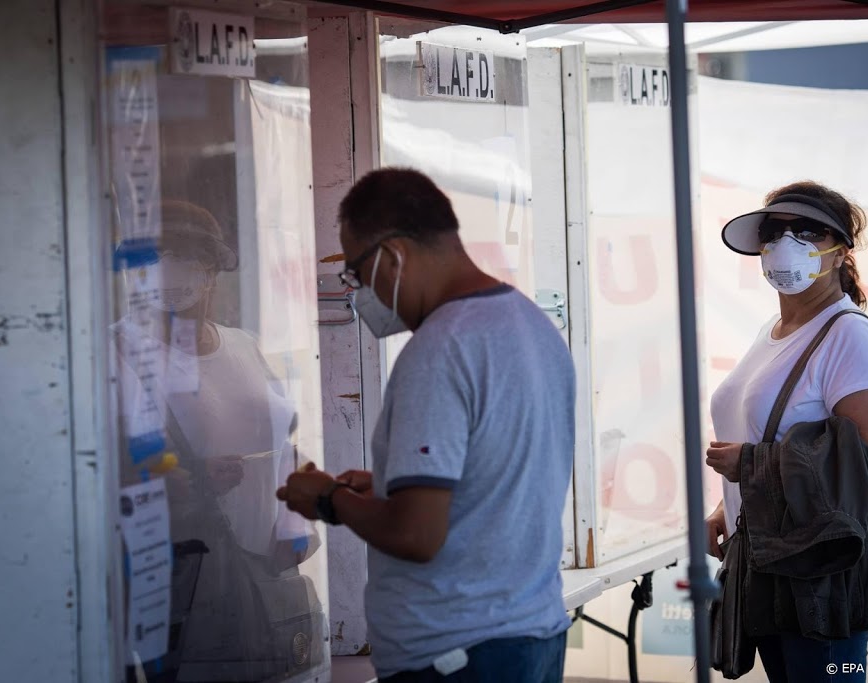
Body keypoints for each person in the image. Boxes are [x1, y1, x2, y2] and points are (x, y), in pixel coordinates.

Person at [277, 168, 576, 683]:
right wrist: (391, 486)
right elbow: (499, 476)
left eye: (356, 270)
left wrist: (329, 499)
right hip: (530, 634)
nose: (357, 289)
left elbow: (416, 533)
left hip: (458, 655)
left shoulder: (438, 350)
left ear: (392, 256)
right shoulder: (530, 324)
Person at [703, 181, 868, 682]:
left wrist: (751, 467)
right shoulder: (773, 329)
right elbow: (767, 429)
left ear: (840, 250)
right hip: (770, 556)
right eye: (775, 230)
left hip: (819, 570)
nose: (787, 242)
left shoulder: (848, 333)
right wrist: (727, 504)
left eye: (806, 230)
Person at [114, 199, 324, 682]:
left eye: (183, 258)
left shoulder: (243, 345)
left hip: (268, 572)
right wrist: (187, 480)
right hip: (182, 582)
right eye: (150, 260)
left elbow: (287, 447)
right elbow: (102, 469)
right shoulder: (114, 351)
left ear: (212, 272)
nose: (165, 274)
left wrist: (295, 523)